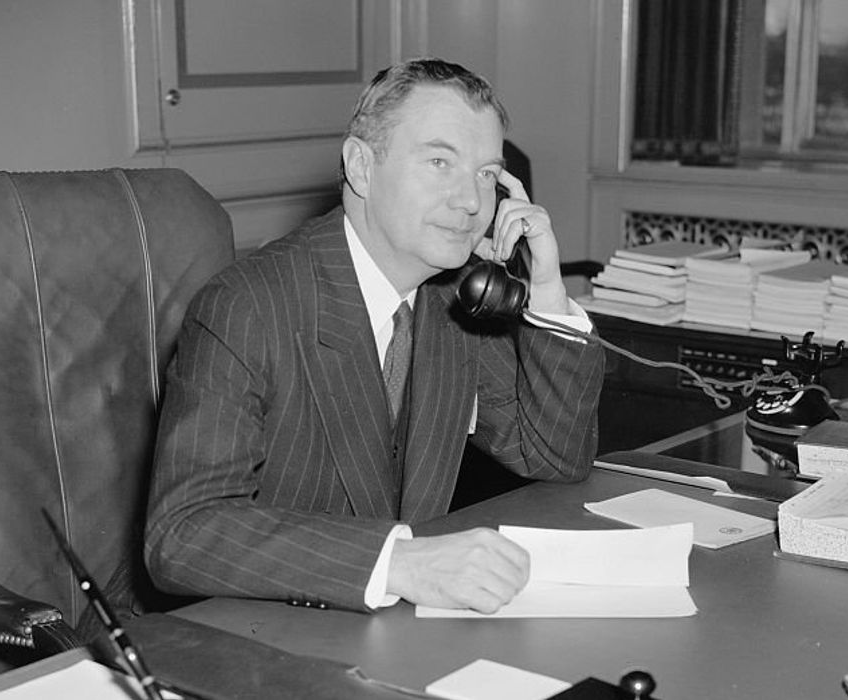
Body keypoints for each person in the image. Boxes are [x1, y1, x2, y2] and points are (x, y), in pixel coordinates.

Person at [144, 58, 604, 614]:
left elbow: (553, 457)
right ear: (361, 167)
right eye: (439, 161)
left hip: (403, 636)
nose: (471, 202)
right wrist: (401, 564)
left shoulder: (452, 297)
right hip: (275, 631)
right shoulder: (247, 306)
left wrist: (548, 291)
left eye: (487, 174)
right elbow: (181, 534)